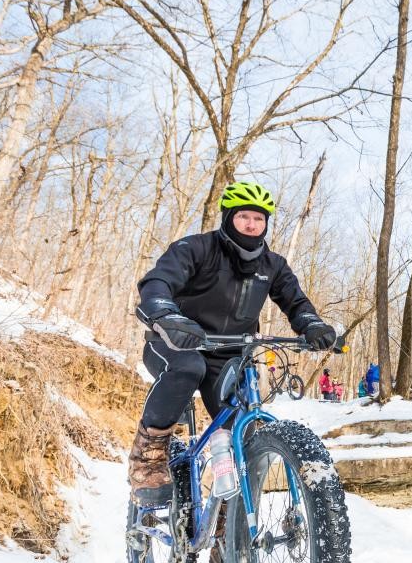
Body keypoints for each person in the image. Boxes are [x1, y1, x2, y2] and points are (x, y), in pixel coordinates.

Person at [130, 180, 336, 506]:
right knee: (188, 368)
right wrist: (166, 315)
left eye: (259, 219)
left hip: (229, 357)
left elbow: (296, 303)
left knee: (245, 434)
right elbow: (158, 283)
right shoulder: (196, 248)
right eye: (244, 217)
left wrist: (312, 325)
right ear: (228, 217)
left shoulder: (273, 265)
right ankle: (150, 453)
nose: (252, 225)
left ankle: (232, 529)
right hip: (175, 343)